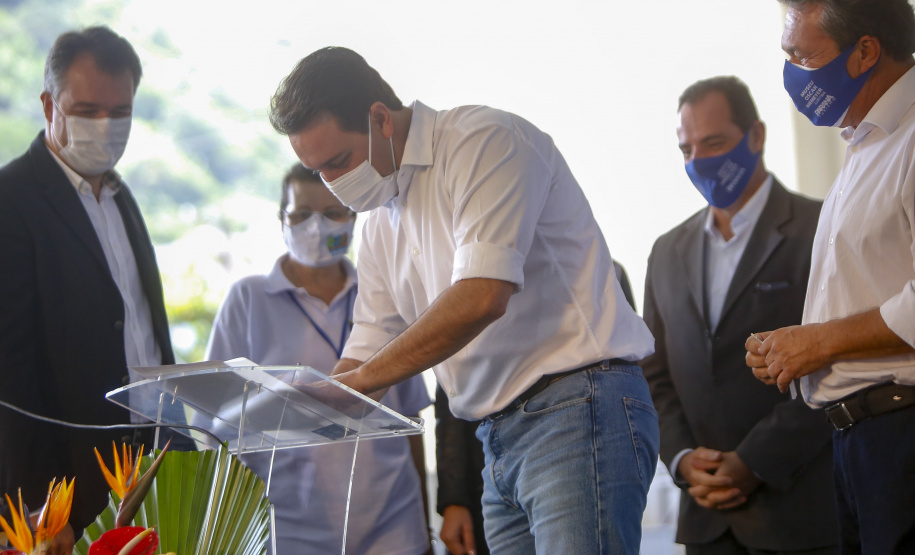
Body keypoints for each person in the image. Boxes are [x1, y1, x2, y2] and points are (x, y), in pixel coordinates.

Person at [268, 46, 659, 555]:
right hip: (494, 436)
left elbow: (482, 295)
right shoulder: (380, 222)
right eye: (319, 171)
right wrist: (301, 404)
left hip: (575, 407)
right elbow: (366, 349)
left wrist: (361, 382)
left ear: (381, 119)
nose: (334, 185)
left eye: (339, 161)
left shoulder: (482, 141)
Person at [642, 76, 837, 554]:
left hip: (801, 511)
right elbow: (654, 374)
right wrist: (684, 459)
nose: (699, 161)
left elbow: (836, 363)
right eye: (686, 149)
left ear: (757, 136)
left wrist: (752, 461)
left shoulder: (821, 228)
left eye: (714, 143)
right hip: (705, 518)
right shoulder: (666, 252)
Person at [746, 1, 915, 552]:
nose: (791, 69)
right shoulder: (866, 143)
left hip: (902, 432)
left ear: (865, 51)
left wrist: (820, 342)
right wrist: (789, 349)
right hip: (856, 441)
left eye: (801, 53)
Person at [0, 26, 174, 552]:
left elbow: (144, 329)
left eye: (119, 113)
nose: (105, 126)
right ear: (50, 103)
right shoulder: (12, 202)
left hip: (147, 469)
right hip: (67, 490)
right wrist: (43, 506)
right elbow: (11, 375)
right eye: (87, 110)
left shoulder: (121, 197)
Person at [205, 163, 432, 555]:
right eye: (301, 214)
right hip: (287, 525)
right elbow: (213, 423)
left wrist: (425, 528)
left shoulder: (384, 296)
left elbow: (409, 419)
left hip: (394, 523)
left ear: (353, 217)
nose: (317, 227)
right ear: (282, 220)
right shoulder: (249, 300)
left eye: (333, 213)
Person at [434, 261, 637, 555]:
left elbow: (625, 371)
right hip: (490, 461)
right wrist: (454, 498)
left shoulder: (604, 271)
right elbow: (450, 386)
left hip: (571, 443)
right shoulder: (471, 270)